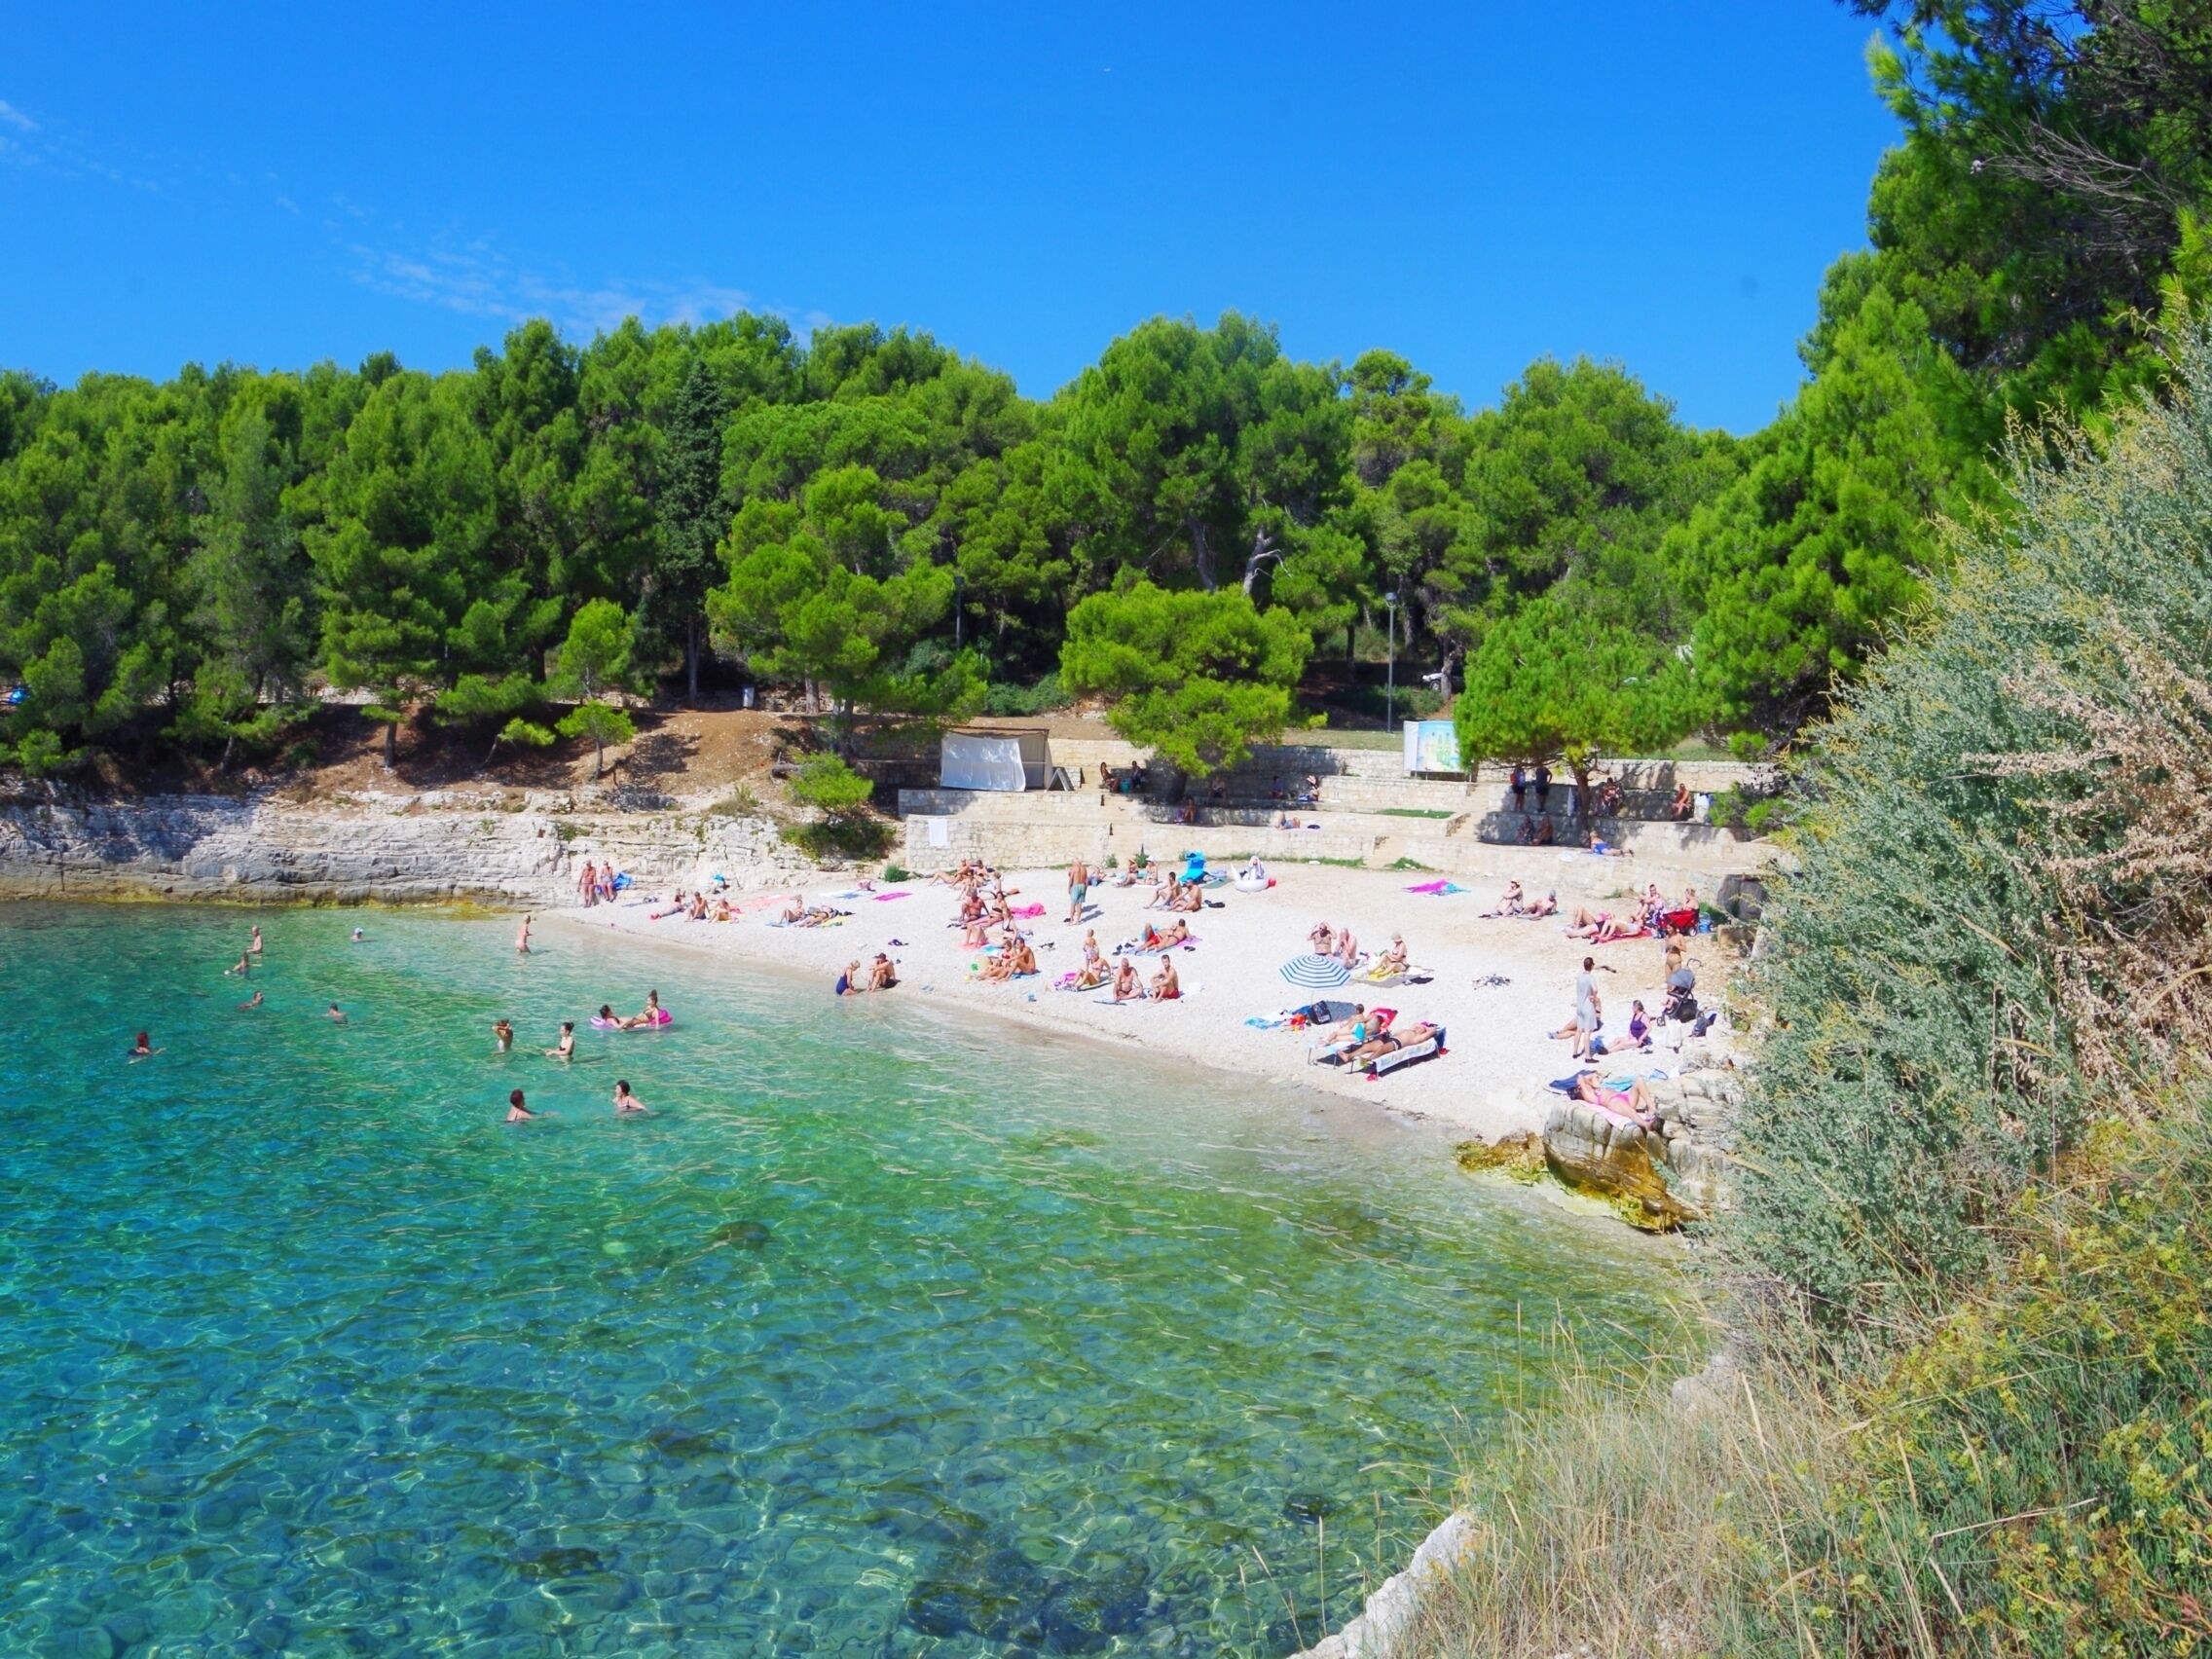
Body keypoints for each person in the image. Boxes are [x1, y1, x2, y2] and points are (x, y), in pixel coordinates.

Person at [1572, 1070, 1655, 1127]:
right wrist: (1584, 1083)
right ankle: (1645, 1125)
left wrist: (1589, 1082)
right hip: (1613, 1102)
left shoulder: (1596, 1087)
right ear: (1580, 1089)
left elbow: (1593, 1075)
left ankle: (1652, 1109)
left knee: (1639, 1080)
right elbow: (1580, 1077)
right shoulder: (1589, 1096)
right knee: (1631, 1112)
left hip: (1624, 1097)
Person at [1572, 955, 1601, 1059]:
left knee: (1579, 1030)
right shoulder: (1590, 977)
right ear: (1592, 966)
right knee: (1587, 1032)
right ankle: (1588, 1056)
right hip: (1587, 1006)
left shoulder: (1579, 976)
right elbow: (1595, 989)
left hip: (1579, 1006)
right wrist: (1594, 997)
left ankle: (1575, 1052)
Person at [1066, 858, 1089, 925]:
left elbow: (1071, 879)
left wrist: (1069, 887)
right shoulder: (1084, 869)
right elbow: (1086, 880)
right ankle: (1077, 921)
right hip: (1082, 886)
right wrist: (1085, 889)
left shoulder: (1073, 868)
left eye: (1072, 862)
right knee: (1079, 904)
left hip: (1075, 886)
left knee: (1073, 904)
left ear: (1074, 862)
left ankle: (1071, 920)